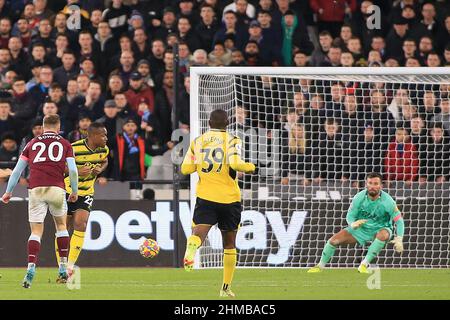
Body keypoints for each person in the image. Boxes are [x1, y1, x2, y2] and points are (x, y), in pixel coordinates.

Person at [181, 109, 256, 298]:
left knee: (198, 234)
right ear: (228, 123)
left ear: (208, 123)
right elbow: (236, 164)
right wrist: (251, 167)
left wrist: (199, 164)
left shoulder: (198, 142)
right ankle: (225, 288)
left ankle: (192, 247)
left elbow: (185, 169)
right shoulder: (232, 140)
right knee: (229, 244)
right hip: (229, 199)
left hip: (206, 197)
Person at [1, 114, 78, 288]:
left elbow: (17, 171)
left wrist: (8, 192)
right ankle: (63, 268)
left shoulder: (32, 143)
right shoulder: (65, 144)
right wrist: (74, 190)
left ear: (43, 128)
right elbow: (73, 170)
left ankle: (31, 268)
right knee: (61, 226)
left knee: (36, 231)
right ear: (58, 128)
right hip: (57, 189)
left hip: (35, 189)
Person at [308, 172, 405, 273]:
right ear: (366, 184)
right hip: (361, 229)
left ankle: (363, 265)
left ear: (381, 186)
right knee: (333, 241)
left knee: (383, 235)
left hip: (380, 229)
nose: (372, 186)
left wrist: (399, 238)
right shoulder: (359, 197)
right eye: (370, 183)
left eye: (376, 184)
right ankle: (320, 266)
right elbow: (350, 215)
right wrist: (352, 224)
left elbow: (399, 221)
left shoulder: (388, 201)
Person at [56, 122, 108, 282]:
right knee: (63, 228)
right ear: (92, 136)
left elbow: (104, 160)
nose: (106, 138)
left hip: (86, 193)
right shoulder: (73, 148)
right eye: (103, 135)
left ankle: (70, 266)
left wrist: (101, 169)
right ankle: (62, 268)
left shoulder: (103, 150)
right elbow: (59, 167)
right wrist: (76, 171)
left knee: (81, 224)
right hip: (67, 191)